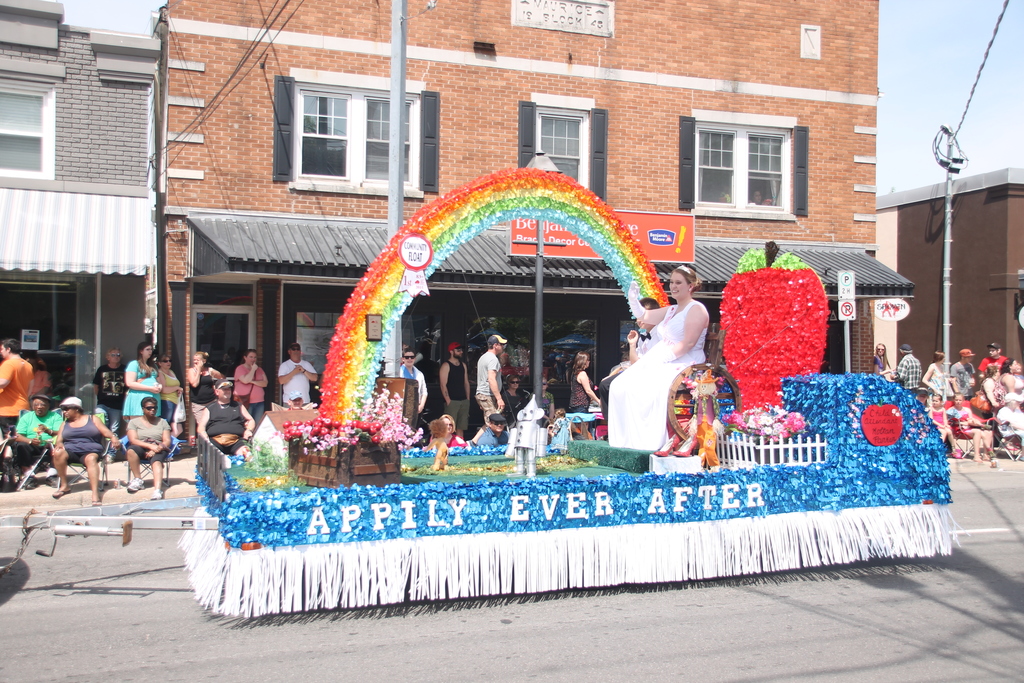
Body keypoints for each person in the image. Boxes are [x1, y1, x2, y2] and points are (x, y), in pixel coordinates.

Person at [608, 266, 709, 451]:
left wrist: (663, 358)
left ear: (690, 286)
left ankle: (651, 440)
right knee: (619, 385)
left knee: (648, 387)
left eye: (678, 282)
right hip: (662, 357)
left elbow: (688, 343)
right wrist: (633, 300)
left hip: (684, 361)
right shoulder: (671, 310)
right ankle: (628, 440)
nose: (673, 286)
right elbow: (644, 315)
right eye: (671, 282)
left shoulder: (696, 309)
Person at [51, 396, 122, 505]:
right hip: (71, 452)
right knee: (58, 452)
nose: (64, 412)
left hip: (91, 451)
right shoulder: (64, 423)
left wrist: (113, 437)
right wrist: (59, 444)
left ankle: (95, 493)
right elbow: (59, 439)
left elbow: (106, 432)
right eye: (63, 409)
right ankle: (64, 486)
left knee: (91, 458)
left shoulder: (93, 419)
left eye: (67, 409)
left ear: (76, 409)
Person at [125, 396, 172, 499]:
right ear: (143, 409)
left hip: (159, 447)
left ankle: (157, 490)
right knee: (131, 450)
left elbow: (167, 440)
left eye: (155, 408)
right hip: (141, 446)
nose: (152, 410)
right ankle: (138, 480)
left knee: (156, 461)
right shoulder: (134, 422)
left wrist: (156, 449)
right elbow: (133, 440)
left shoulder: (162, 422)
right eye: (149, 408)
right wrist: (151, 446)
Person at [10, 394, 62, 486]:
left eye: (42, 404)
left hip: (49, 445)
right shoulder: (27, 417)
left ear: (48, 406)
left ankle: (52, 475)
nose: (39, 407)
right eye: (36, 404)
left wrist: (48, 431)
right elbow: (17, 436)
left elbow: (61, 432)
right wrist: (29, 441)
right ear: (32, 406)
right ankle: (29, 475)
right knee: (21, 445)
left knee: (59, 445)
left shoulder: (55, 416)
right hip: (32, 445)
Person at [197, 379, 255, 458]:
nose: (227, 391)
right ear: (217, 392)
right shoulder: (209, 408)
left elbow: (251, 420)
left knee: (247, 455)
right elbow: (201, 426)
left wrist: (249, 430)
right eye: (224, 389)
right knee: (211, 457)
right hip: (215, 440)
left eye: (229, 389)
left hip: (236, 440)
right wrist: (204, 434)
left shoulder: (238, 406)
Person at [0, 338, 34, 434]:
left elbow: (2, 383)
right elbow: (30, 388)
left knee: (8, 439)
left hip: (7, 410)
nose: (1, 352)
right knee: (19, 437)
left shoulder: (8, 364)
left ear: (8, 349)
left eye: (2, 349)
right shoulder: (28, 365)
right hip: (23, 408)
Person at [948, 393, 994, 463]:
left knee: (988, 432)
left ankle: (985, 454)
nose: (958, 402)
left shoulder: (967, 410)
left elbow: (970, 419)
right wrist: (965, 423)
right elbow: (950, 422)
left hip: (969, 428)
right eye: (956, 400)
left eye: (960, 400)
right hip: (959, 430)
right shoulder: (951, 410)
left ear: (963, 401)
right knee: (977, 431)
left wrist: (970, 422)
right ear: (953, 400)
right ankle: (976, 456)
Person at [123, 341, 163, 422]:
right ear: (141, 351)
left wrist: (160, 386)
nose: (150, 351)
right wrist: (150, 388)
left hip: (153, 397)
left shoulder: (153, 365)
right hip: (138, 397)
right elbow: (130, 383)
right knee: (138, 423)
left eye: (151, 349)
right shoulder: (134, 364)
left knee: (152, 424)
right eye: (147, 349)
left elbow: (158, 380)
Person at [439, 342, 471, 438]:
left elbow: (466, 382)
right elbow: (443, 385)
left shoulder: (463, 365)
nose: (461, 352)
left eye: (461, 350)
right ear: (451, 351)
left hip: (463, 400)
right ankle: (447, 444)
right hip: (452, 401)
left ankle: (460, 444)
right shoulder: (446, 365)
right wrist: (448, 400)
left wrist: (468, 398)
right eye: (458, 350)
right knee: (449, 426)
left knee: (461, 426)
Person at [187, 351, 222, 441]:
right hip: (198, 403)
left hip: (211, 401)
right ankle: (204, 444)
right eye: (194, 360)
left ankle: (213, 442)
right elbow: (194, 384)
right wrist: (198, 370)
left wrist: (214, 373)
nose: (195, 362)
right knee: (202, 425)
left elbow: (221, 377)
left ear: (204, 361)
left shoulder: (209, 370)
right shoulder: (191, 371)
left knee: (213, 423)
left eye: (198, 360)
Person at [92, 347, 127, 436]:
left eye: (118, 355)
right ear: (108, 357)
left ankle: (112, 445)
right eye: (113, 355)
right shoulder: (102, 369)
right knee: (102, 425)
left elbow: (128, 387)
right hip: (102, 404)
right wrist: (100, 397)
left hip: (117, 405)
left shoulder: (124, 369)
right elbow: (96, 386)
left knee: (114, 429)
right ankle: (100, 444)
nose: (116, 357)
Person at [475, 334, 507, 419]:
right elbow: (491, 379)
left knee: (491, 421)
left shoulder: (483, 357)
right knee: (494, 421)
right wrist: (499, 399)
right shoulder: (493, 359)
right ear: (495, 345)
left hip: (483, 395)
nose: (503, 347)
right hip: (487, 395)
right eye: (501, 344)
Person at [233, 349, 268, 426]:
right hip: (245, 401)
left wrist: (252, 382)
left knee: (258, 424)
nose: (253, 359)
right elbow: (245, 380)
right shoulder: (240, 368)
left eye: (255, 357)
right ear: (245, 357)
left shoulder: (260, 369)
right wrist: (253, 370)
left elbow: (265, 383)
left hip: (259, 401)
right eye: (251, 357)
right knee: (246, 424)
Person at [156, 353, 184, 437]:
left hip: (176, 402)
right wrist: (177, 388)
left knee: (178, 429)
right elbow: (163, 389)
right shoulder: (160, 373)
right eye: (165, 361)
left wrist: (178, 390)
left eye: (170, 361)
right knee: (165, 424)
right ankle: (162, 442)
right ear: (159, 363)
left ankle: (167, 442)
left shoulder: (171, 372)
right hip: (166, 402)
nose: (168, 362)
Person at [399, 348, 428, 414]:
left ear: (415, 359)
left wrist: (421, 406)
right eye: (407, 357)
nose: (409, 359)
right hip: (401, 407)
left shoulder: (419, 374)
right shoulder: (399, 373)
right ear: (403, 359)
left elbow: (424, 391)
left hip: (416, 407)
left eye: (412, 357)